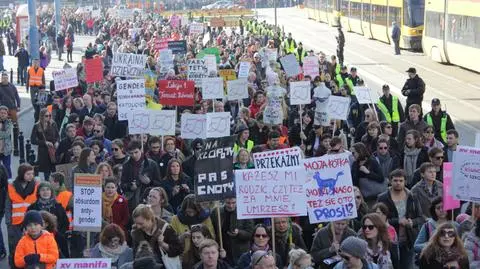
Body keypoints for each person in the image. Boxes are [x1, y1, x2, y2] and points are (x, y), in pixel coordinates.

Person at [377, 169, 424, 269]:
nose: (398, 183)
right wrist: (397, 221)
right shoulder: (383, 198)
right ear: (390, 181)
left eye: (401, 181)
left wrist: (413, 222)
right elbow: (377, 219)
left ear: (405, 182)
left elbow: (420, 218)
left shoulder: (412, 197)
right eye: (395, 180)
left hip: (408, 239)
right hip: (389, 240)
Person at [6, 164, 38, 267]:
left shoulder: (36, 186)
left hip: (31, 224)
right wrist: (8, 223)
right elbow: (8, 207)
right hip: (15, 224)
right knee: (15, 249)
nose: (31, 176)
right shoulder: (11, 186)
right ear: (21, 174)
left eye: (32, 174)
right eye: (28, 174)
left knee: (30, 249)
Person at [211, 196, 254, 265]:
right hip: (223, 251)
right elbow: (213, 231)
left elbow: (250, 233)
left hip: (240, 252)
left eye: (233, 203)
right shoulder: (216, 212)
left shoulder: (244, 211)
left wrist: (239, 233)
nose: (231, 206)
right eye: (228, 203)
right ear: (224, 201)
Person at [121, 140, 161, 212]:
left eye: (136, 152)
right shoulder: (126, 165)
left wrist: (149, 182)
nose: (134, 155)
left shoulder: (152, 164)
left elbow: (159, 184)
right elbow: (122, 184)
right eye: (131, 153)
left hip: (148, 199)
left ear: (141, 150)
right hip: (132, 201)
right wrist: (130, 186)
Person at [31, 108, 59, 180]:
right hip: (44, 152)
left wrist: (57, 142)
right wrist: (45, 142)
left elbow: (58, 136)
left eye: (49, 115)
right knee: (46, 173)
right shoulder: (37, 126)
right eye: (46, 116)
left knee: (55, 171)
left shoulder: (53, 124)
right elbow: (33, 140)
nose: (48, 117)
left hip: (53, 151)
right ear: (42, 116)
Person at [0, 106, 13, 177]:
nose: (2, 114)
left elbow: (7, 134)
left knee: (7, 168)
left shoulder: (9, 123)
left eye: (4, 113)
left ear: (7, 114)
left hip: (6, 150)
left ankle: (9, 182)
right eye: (1, 113)